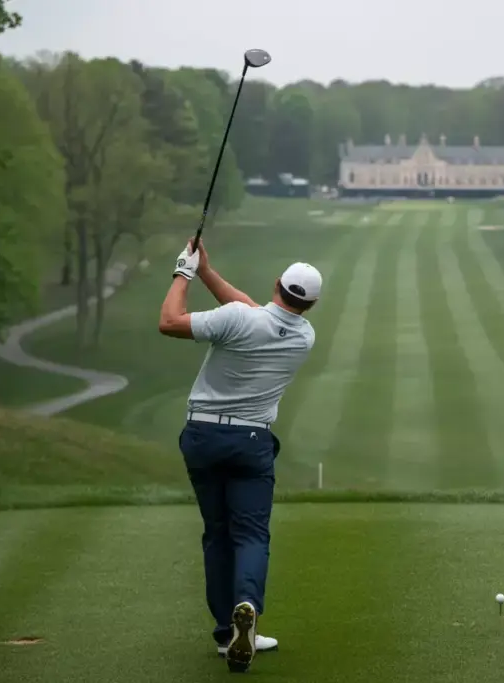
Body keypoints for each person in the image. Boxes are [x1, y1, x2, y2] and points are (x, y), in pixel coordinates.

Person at [157, 238, 321, 673]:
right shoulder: (304, 336)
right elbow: (252, 311)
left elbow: (169, 321)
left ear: (276, 285)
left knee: (216, 534)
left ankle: (223, 632)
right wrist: (207, 270)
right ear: (312, 305)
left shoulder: (237, 320)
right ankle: (245, 606)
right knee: (251, 535)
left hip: (203, 436)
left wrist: (184, 273)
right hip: (251, 443)